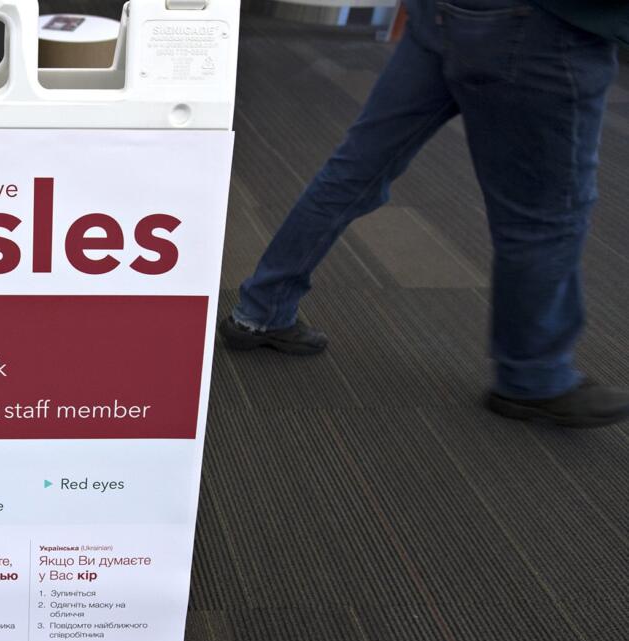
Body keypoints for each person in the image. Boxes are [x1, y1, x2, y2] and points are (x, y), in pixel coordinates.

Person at [220, 0, 629, 428]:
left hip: (441, 13)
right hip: (539, 30)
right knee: (544, 218)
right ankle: (535, 379)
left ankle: (260, 311)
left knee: (355, 169)